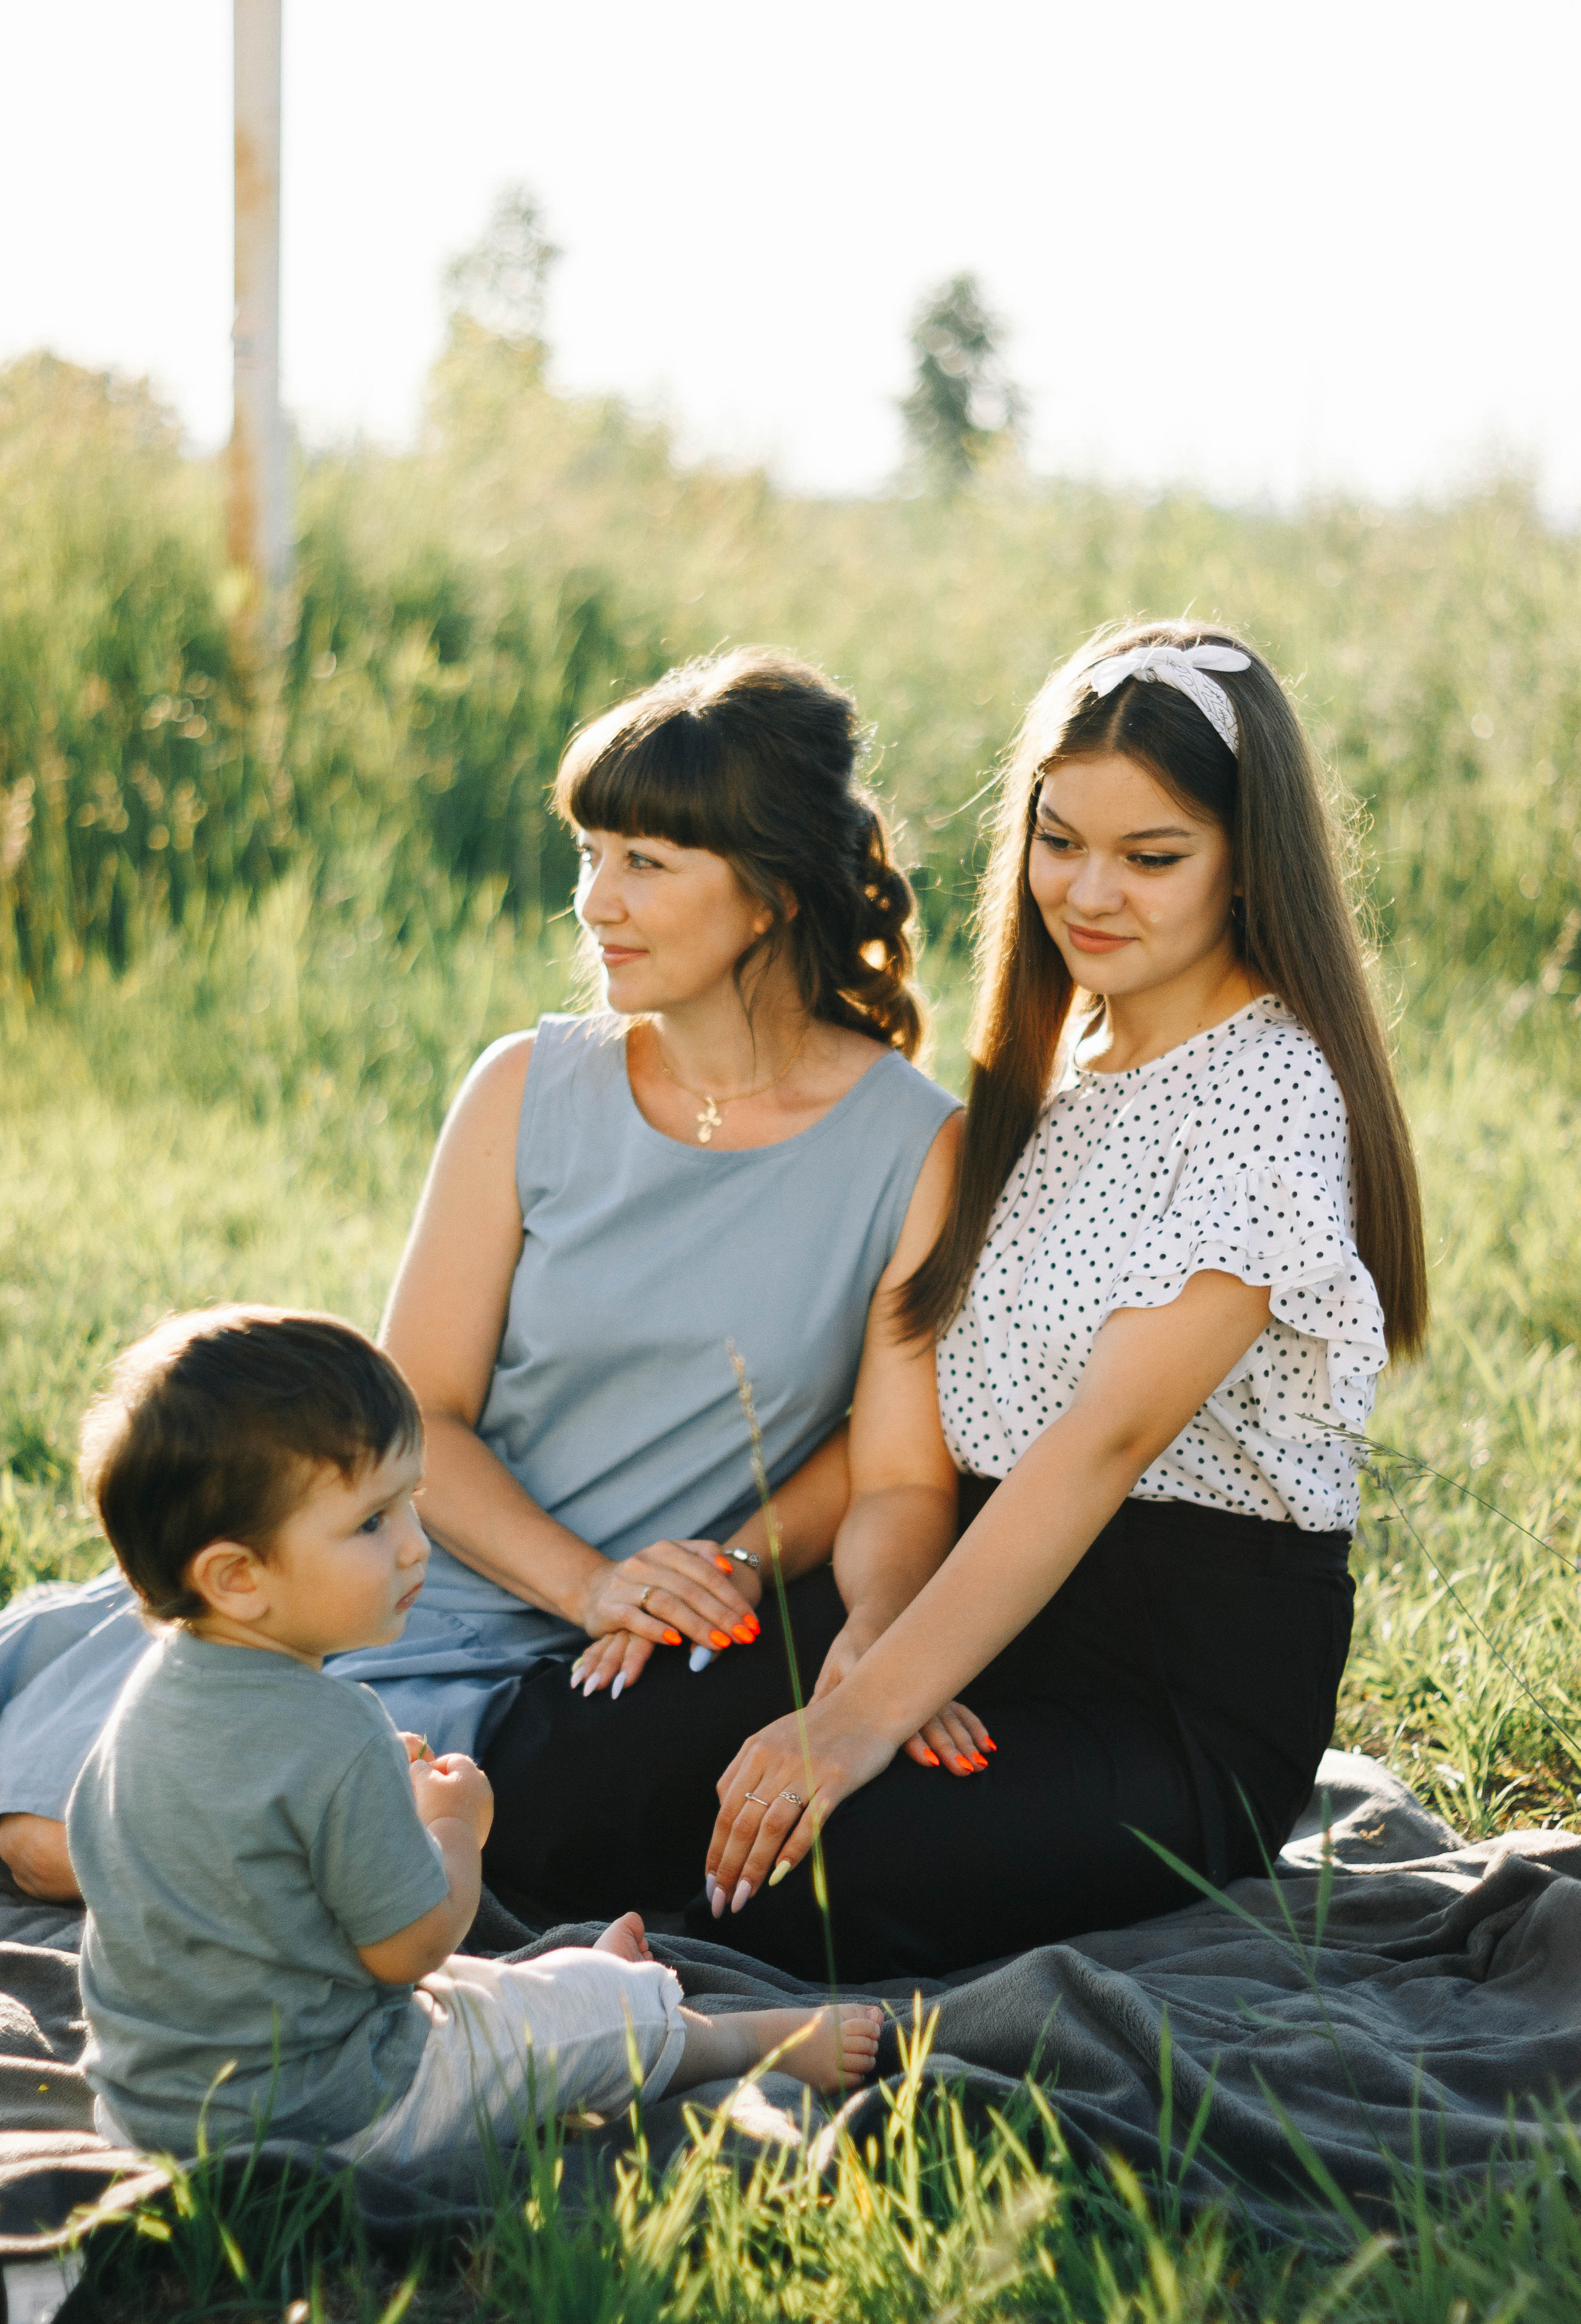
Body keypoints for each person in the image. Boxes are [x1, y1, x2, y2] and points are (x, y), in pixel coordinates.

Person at [0, 647, 967, 1907]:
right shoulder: (525, 1085)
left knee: (161, 1847)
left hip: (573, 1667)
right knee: (52, 1833)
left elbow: (892, 1470)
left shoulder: (914, 1144)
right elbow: (422, 1412)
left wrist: (864, 1637)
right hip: (403, 1567)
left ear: (773, 894)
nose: (595, 903)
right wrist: (589, 1583)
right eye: (589, 854)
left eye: (645, 864)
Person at [698, 621, 1430, 1981]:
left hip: (1171, 1689)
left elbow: (1099, 1445)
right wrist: (884, 1641)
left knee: (820, 1869)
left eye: (1151, 857)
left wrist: (862, 1718)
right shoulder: (1046, 1067)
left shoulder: (1269, 1094)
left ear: (1245, 861)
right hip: (987, 1599)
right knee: (622, 1760)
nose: (1090, 893)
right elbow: (926, 1423)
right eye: (1058, 841)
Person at [68, 1307, 881, 2163]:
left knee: (483, 1999)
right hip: (340, 2113)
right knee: (559, 2027)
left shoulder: (144, 1703)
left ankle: (595, 1984)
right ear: (238, 1578)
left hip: (151, 2109)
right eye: (372, 1523)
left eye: (409, 1505)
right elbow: (413, 1948)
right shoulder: (336, 1731)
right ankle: (736, 2041)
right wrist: (454, 1825)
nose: (416, 1547)